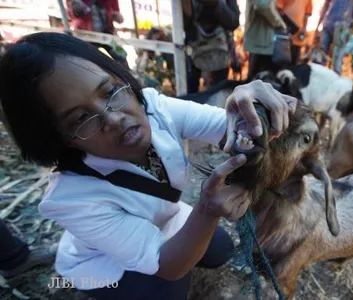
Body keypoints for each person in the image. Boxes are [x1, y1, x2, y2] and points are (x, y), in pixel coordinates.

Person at [0, 32, 297, 299]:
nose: (114, 118)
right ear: (60, 139)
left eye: (109, 91)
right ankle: (78, 287)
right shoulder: (70, 199)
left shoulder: (156, 108)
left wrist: (251, 109)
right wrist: (206, 210)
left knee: (220, 251)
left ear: (123, 80)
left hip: (165, 221)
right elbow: (167, 265)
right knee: (168, 289)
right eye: (80, 119)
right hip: (102, 265)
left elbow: (227, 128)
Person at [182, 0, 240, 93]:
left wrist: (215, 3)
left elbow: (234, 22)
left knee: (217, 96)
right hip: (194, 54)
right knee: (192, 96)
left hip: (219, 55)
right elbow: (184, 25)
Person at [66, 0, 129, 69]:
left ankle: (128, 74)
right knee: (90, 62)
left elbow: (117, 14)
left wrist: (115, 16)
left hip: (106, 34)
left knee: (121, 54)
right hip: (87, 36)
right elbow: (72, 13)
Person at [244, 0, 287, 79]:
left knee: (257, 81)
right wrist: (279, 23)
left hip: (261, 39)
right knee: (259, 81)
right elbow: (262, 5)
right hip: (262, 40)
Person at [276, 0, 313, 65]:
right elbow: (279, 9)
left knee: (293, 63)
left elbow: (306, 14)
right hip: (284, 36)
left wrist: (304, 29)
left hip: (297, 36)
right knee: (281, 62)